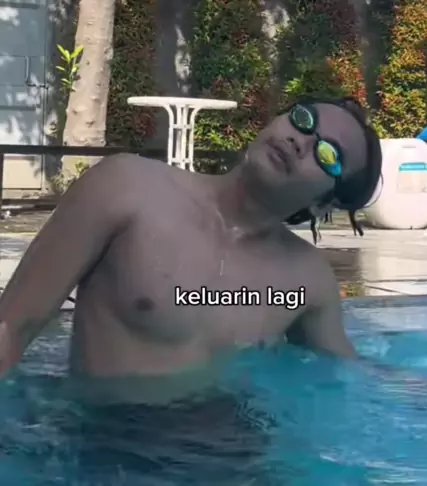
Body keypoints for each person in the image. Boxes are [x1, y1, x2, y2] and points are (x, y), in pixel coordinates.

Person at [0, 96, 382, 404]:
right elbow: (11, 327)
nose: (301, 141)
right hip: (110, 448)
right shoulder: (125, 188)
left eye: (328, 154)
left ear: (322, 204)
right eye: (303, 120)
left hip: (237, 456)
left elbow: (351, 377)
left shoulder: (307, 281)